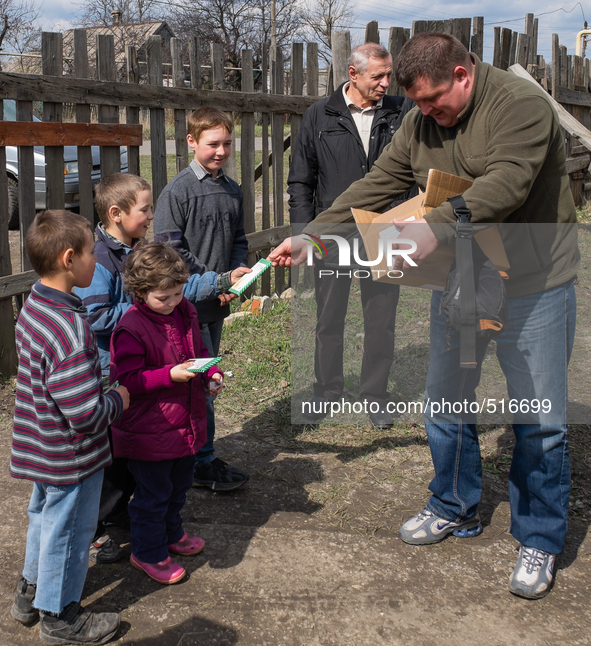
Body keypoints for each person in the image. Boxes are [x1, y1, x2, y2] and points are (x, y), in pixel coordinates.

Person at [269, 32, 579, 600]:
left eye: (435, 98)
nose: (427, 112)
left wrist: (430, 229)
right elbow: (379, 181)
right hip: (465, 276)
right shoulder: (419, 121)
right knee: (444, 397)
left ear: (464, 74)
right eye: (418, 103)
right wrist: (314, 235)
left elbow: (506, 185)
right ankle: (453, 504)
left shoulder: (520, 105)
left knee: (540, 416)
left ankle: (538, 535)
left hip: (534, 283)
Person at [76, 173, 251, 563]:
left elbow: (178, 290)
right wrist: (147, 313)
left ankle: (136, 522)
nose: (153, 216)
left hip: (160, 375)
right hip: (114, 373)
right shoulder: (102, 260)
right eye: (146, 209)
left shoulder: (152, 262)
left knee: (147, 466)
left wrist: (219, 281)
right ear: (116, 213)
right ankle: (103, 526)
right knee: (116, 460)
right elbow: (97, 316)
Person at [10, 210, 130, 644]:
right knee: (72, 532)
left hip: (40, 444)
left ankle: (30, 592)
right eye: (91, 254)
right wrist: (117, 398)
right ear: (68, 259)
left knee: (44, 517)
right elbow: (84, 414)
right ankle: (60, 617)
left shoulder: (35, 304)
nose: (96, 262)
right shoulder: (70, 328)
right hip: (72, 455)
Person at [288, 42, 415, 427]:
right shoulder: (319, 115)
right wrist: (305, 235)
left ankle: (375, 395)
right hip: (334, 234)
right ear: (353, 74)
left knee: (381, 320)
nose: (386, 83)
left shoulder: (401, 112)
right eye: (378, 76)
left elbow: (413, 169)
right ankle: (325, 390)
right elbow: (300, 182)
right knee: (329, 318)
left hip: (385, 233)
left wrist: (406, 219)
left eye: (388, 75)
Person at [110, 243, 223, 585]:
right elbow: (127, 379)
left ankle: (172, 534)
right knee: (152, 496)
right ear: (141, 292)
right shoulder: (130, 327)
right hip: (150, 430)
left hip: (185, 423)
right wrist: (169, 374)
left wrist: (209, 373)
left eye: (177, 293)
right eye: (165, 297)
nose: (173, 301)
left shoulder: (184, 311)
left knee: (179, 487)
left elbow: (199, 351)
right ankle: (147, 552)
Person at [154, 107, 250, 491]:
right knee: (197, 385)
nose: (221, 151)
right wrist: (216, 280)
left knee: (207, 384)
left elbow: (240, 241)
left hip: (216, 306)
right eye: (213, 144)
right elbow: (172, 253)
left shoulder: (233, 190)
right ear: (191, 142)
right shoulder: (176, 192)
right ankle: (199, 461)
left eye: (227, 143)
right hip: (185, 308)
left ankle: (196, 455)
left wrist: (233, 279)